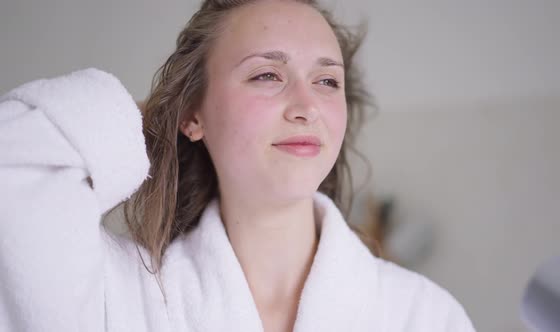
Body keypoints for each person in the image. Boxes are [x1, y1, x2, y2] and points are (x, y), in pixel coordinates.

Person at [0, 0, 476, 331]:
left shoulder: (423, 317)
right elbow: (15, 162)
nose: (307, 105)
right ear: (195, 115)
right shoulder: (124, 296)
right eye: (267, 74)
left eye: (327, 81)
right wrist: (159, 115)